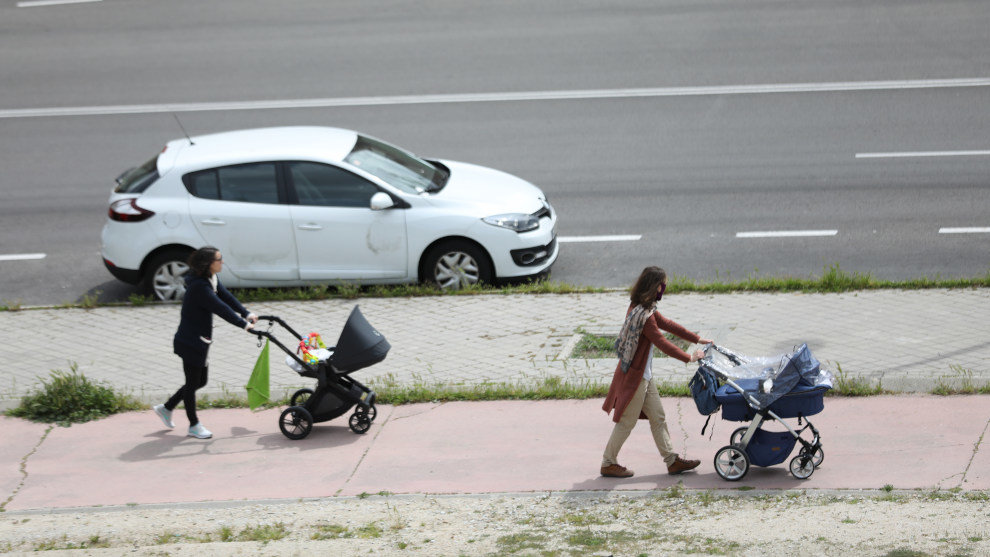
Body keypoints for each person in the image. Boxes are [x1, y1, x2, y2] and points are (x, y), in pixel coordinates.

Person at [600, 266, 713, 478]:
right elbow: (662, 342)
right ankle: (608, 462)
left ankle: (672, 461)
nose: (665, 289)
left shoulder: (643, 308)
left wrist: (697, 339)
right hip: (635, 378)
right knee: (627, 422)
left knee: (658, 417)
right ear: (654, 287)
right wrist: (689, 357)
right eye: (663, 285)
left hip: (644, 376)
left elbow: (669, 325)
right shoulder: (644, 316)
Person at [153, 247, 258, 439]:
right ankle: (194, 425)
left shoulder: (210, 278)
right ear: (208, 263)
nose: (222, 262)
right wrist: (243, 324)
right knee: (193, 384)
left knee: (200, 381)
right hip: (191, 342)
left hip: (200, 340)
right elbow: (220, 308)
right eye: (219, 259)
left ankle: (166, 408)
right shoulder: (199, 288)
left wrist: (245, 313)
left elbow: (225, 296)